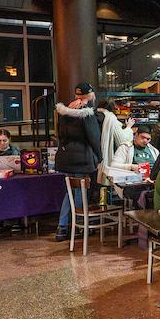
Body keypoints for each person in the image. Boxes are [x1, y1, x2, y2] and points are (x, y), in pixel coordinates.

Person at [54, 83, 104, 242]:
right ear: (90, 95)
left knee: (70, 191)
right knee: (80, 192)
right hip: (82, 158)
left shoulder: (64, 111)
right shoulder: (86, 113)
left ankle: (62, 228)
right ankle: (80, 226)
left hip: (65, 157)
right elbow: (94, 138)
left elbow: (60, 135)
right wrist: (99, 157)